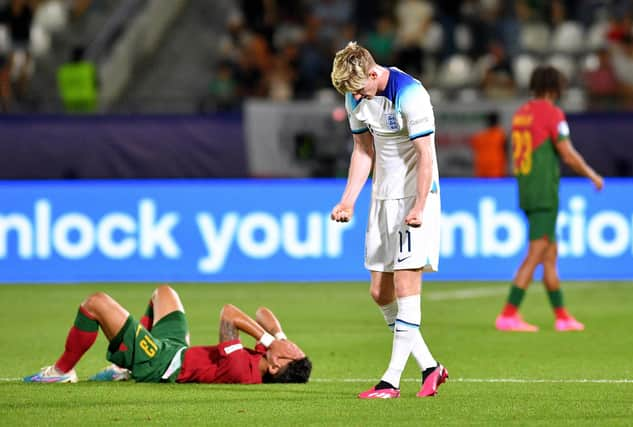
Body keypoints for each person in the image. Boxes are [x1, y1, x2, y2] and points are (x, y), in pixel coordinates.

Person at [330, 41, 447, 399]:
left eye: (359, 89)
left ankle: (390, 381)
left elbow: (425, 154)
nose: (357, 98)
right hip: (382, 199)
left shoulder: (410, 93)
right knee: (380, 292)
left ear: (373, 72)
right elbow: (363, 151)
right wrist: (348, 200)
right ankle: (430, 367)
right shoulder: (355, 96)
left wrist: (419, 206)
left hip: (414, 199)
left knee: (405, 286)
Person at [495, 65, 604, 332]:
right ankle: (509, 314)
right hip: (544, 192)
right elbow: (566, 153)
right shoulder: (552, 113)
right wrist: (592, 174)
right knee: (535, 255)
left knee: (550, 255)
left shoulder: (522, 114)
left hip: (527, 188)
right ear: (556, 87)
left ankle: (562, 316)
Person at [24, 285, 312, 384]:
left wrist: (270, 340)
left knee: (95, 303)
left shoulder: (240, 370)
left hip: (159, 364)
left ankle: (61, 371)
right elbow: (263, 312)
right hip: (175, 349)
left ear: (275, 367)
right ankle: (122, 365)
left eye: (291, 351)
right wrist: (278, 335)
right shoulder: (267, 358)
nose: (291, 344)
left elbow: (228, 314)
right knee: (163, 293)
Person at [470, 111, 508, 178]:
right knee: (496, 187)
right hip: (496, 167)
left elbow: (474, 148)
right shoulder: (501, 135)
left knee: (482, 187)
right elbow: (506, 151)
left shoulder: (479, 136)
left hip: (482, 167)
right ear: (497, 121)